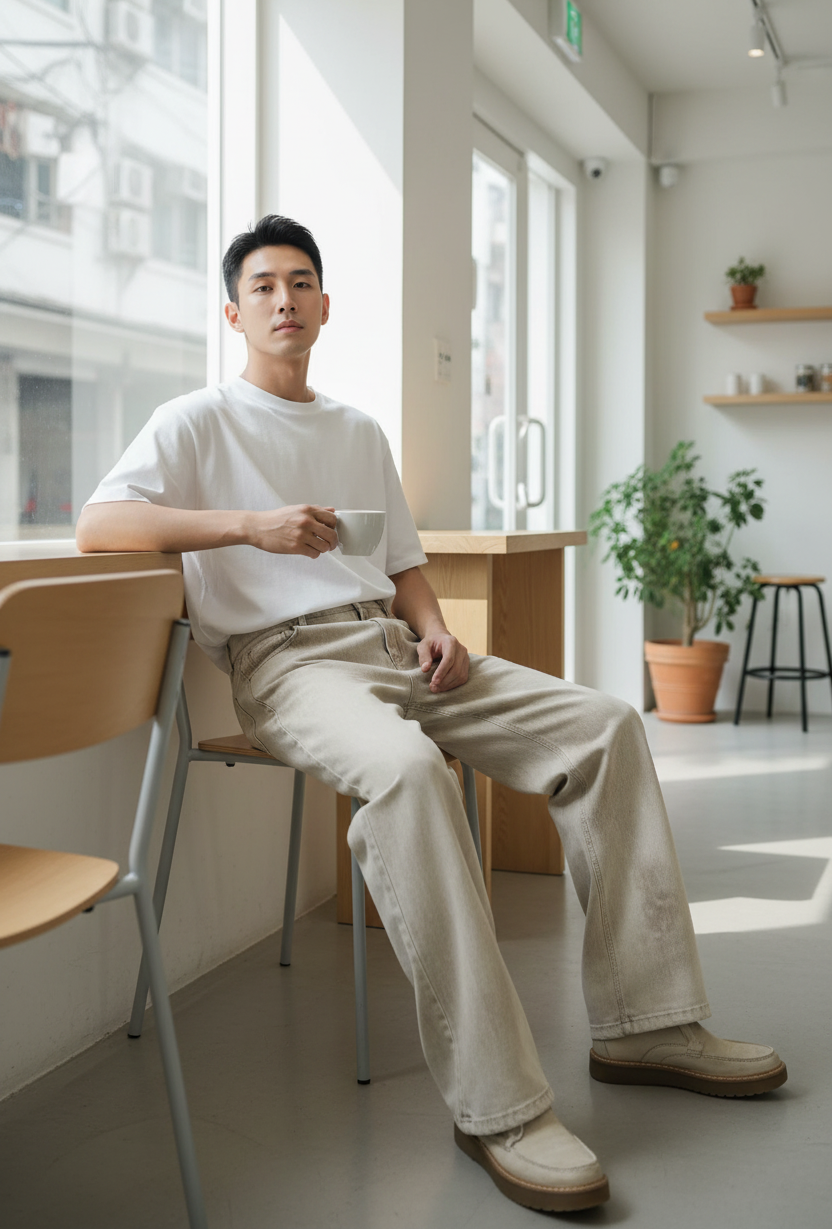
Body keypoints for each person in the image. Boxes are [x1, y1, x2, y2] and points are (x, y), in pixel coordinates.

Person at [76, 215, 786, 1215]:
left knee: (607, 725)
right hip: (289, 666)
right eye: (267, 285)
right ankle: (496, 1106)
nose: (287, 299)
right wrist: (250, 526)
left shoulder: (356, 428)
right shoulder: (197, 421)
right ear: (234, 312)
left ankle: (646, 1023)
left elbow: (401, 561)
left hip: (395, 646)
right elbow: (98, 525)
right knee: (408, 777)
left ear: (325, 306)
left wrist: (438, 630)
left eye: (304, 283)